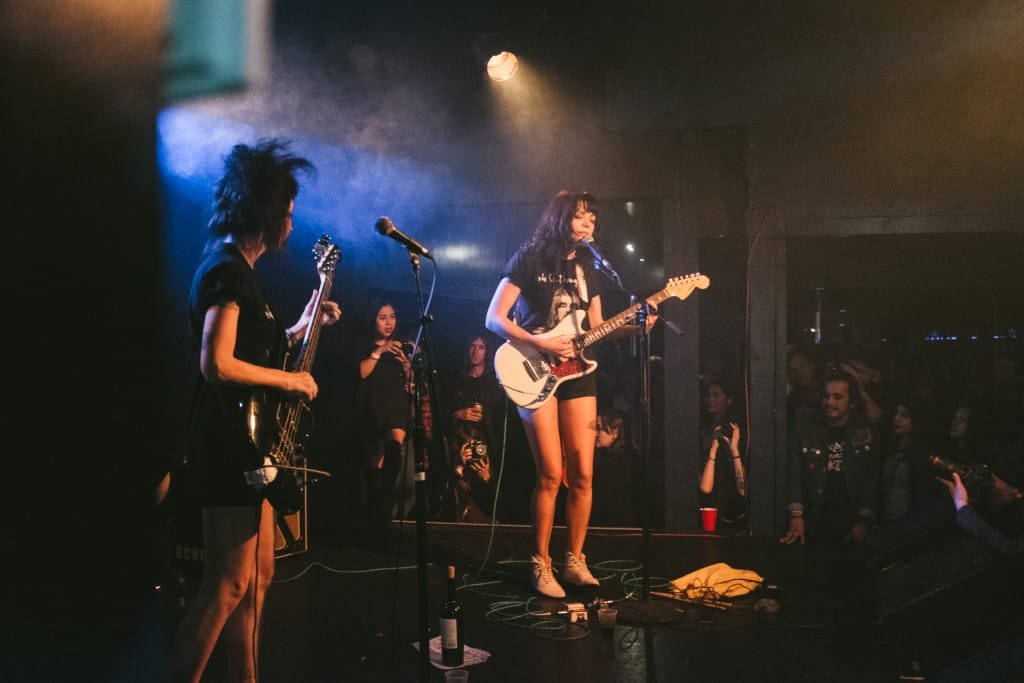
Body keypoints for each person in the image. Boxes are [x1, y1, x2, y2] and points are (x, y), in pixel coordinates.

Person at [172, 139, 341, 682]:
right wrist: (292, 379)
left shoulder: (238, 271)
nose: (290, 224)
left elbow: (253, 349)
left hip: (249, 447)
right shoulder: (227, 270)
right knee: (226, 585)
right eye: (286, 212)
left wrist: (303, 325)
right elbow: (217, 363)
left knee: (258, 576)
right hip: (228, 446)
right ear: (264, 211)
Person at [485, 189, 655, 598]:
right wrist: (540, 342)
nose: (589, 223)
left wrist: (636, 327)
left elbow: (597, 326)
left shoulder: (588, 267)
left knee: (583, 474)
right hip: (534, 368)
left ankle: (574, 560)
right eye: (581, 216)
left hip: (579, 373)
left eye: (593, 218)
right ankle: (539, 562)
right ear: (561, 218)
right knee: (550, 472)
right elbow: (494, 318)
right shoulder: (530, 258)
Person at [781, 363, 881, 546]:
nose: (829, 402)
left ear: (852, 402)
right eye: (826, 396)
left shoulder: (863, 432)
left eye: (838, 397)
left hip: (850, 523)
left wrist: (864, 521)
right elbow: (794, 473)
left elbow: (871, 479)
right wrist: (796, 514)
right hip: (815, 521)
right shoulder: (808, 429)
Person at [356, 299, 414, 537]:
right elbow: (360, 373)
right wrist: (380, 351)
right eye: (382, 318)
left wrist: (407, 365)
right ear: (373, 320)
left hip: (396, 407)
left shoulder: (402, 346)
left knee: (395, 449)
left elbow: (411, 381)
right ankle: (376, 510)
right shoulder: (364, 345)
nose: (389, 323)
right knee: (374, 467)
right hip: (372, 408)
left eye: (392, 317)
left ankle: (380, 504)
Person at [697, 378, 748, 531]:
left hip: (728, 504)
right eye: (708, 395)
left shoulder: (732, 431)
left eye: (716, 396)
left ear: (729, 400)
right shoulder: (704, 426)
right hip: (707, 499)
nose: (710, 400)